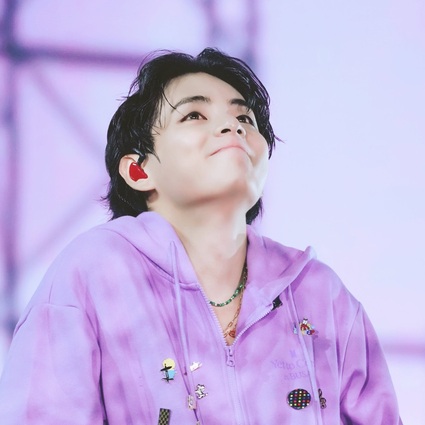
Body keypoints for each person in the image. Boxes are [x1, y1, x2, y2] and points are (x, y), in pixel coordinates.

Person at [0, 48, 402, 425]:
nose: (233, 127)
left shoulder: (320, 293)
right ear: (139, 171)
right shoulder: (94, 273)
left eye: (245, 119)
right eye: (194, 115)